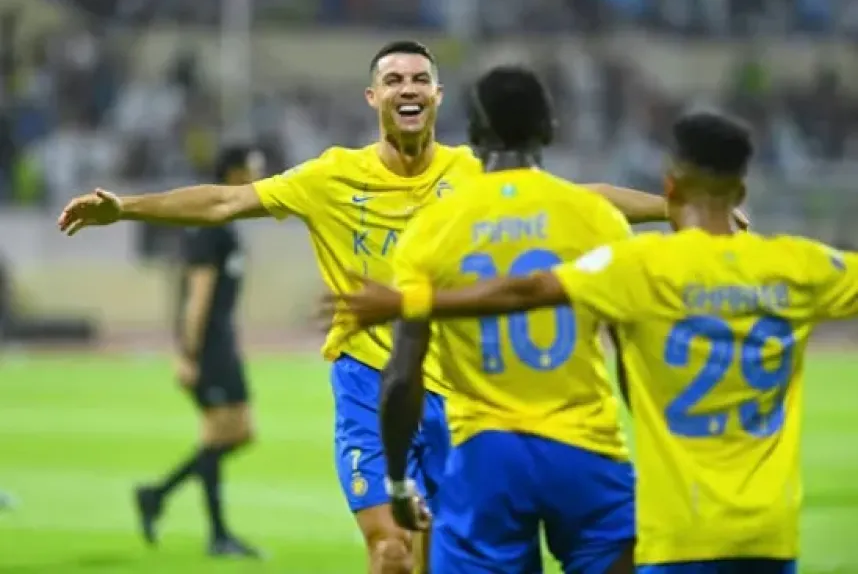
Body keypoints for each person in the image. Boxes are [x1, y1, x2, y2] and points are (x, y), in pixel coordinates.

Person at [59, 40, 697, 574]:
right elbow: (226, 202)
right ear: (373, 98)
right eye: (393, 80)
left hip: (457, 398)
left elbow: (579, 197)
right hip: (368, 385)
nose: (407, 88)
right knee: (390, 550)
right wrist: (126, 208)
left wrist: (676, 208)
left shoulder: (472, 172)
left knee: (438, 555)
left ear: (438, 96)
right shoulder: (331, 176)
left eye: (419, 79)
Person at [327, 111, 850, 574]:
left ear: (670, 185)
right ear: (741, 190)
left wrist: (409, 302)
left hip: (678, 527)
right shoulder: (798, 266)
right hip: (770, 532)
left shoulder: (640, 267)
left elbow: (529, 289)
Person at [365, 64, 637, 574]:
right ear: (550, 127)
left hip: (485, 457)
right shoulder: (598, 218)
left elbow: (402, 375)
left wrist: (399, 481)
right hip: (587, 450)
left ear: (473, 134)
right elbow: (631, 356)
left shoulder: (433, 228)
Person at [135, 145, 263, 558]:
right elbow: (198, 295)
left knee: (238, 432)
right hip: (209, 346)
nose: (258, 176)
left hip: (221, 341)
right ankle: (217, 535)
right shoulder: (211, 227)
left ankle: (157, 495)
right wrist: (189, 354)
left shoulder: (227, 223)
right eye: (253, 168)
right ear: (233, 172)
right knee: (220, 433)